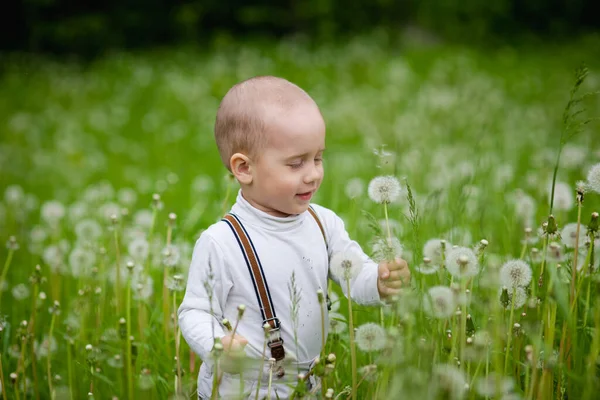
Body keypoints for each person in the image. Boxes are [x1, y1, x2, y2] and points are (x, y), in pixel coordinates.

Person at [178, 76, 410, 399]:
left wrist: (379, 281)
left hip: (305, 386)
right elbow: (194, 312)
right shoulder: (222, 243)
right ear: (244, 168)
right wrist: (218, 344)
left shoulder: (323, 222)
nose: (313, 173)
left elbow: (353, 273)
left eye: (318, 158)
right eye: (296, 163)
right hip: (242, 390)